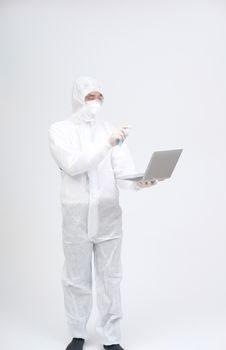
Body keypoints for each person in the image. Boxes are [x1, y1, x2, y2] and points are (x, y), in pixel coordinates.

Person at [48, 76, 158, 350]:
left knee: (111, 279)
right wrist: (108, 143)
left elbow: (122, 174)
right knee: (76, 279)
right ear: (77, 98)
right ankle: (77, 334)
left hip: (108, 216)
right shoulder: (60, 130)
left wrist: (142, 182)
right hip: (77, 217)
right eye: (89, 96)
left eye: (99, 96)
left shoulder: (110, 130)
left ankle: (111, 338)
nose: (95, 101)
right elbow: (74, 164)